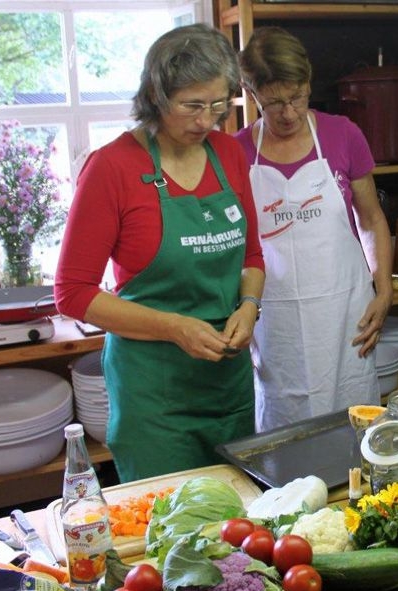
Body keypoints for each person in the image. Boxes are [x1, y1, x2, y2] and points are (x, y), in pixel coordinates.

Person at [55, 24, 266, 483]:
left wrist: (249, 306)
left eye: (217, 106)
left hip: (226, 386)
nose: (206, 122)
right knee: (169, 535)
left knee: (237, 526)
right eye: (191, 106)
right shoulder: (111, 168)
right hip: (155, 397)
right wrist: (174, 328)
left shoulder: (228, 154)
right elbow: (72, 293)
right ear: (156, 95)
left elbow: (251, 256)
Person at [235, 26, 393, 432]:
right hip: (275, 325)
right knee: (285, 437)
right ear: (251, 94)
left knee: (354, 432)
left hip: (346, 318)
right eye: (272, 104)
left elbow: (371, 218)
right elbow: (235, 247)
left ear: (308, 83)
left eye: (296, 97)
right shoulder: (236, 153)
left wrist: (385, 289)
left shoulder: (343, 135)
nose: (288, 113)